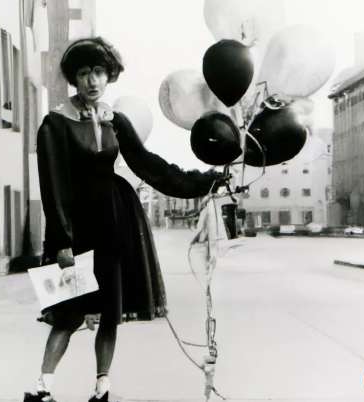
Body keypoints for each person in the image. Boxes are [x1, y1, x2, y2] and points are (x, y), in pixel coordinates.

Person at [24, 37, 222, 402]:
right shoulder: (55, 123)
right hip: (76, 232)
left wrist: (204, 180)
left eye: (98, 72)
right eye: (83, 73)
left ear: (108, 76)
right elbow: (52, 185)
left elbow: (151, 167)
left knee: (111, 314)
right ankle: (41, 388)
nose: (92, 80)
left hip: (115, 226)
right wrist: (62, 241)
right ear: (74, 79)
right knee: (68, 316)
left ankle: (102, 386)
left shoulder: (116, 120)